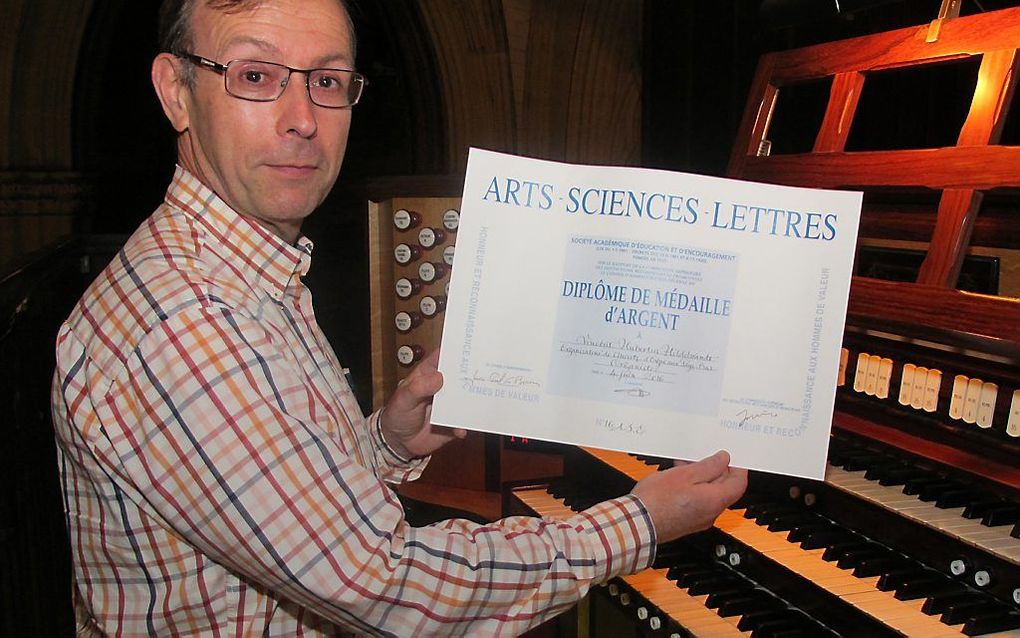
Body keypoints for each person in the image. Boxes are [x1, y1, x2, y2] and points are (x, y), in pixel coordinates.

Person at [50, 0, 748, 635]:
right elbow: (379, 581)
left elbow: (282, 502)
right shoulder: (188, 318)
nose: (301, 118)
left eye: (326, 81)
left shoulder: (240, 269)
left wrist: (387, 442)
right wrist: (640, 523)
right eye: (256, 76)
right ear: (177, 91)